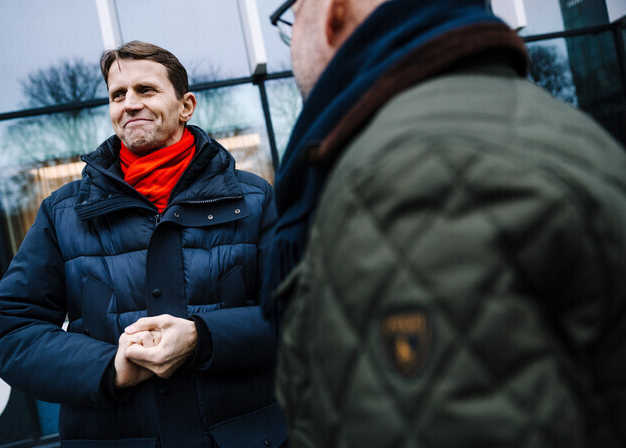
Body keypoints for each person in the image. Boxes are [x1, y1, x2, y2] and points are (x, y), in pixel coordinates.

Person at [264, 0, 626, 446]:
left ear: (334, 14)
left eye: (292, 22)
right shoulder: (561, 126)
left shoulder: (407, 176)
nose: (291, 47)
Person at [0, 40, 286, 448]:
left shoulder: (253, 198)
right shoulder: (62, 212)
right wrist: (111, 368)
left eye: (146, 90)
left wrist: (203, 337)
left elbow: (299, 313)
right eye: (118, 95)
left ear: (186, 106)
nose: (130, 104)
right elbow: (7, 330)